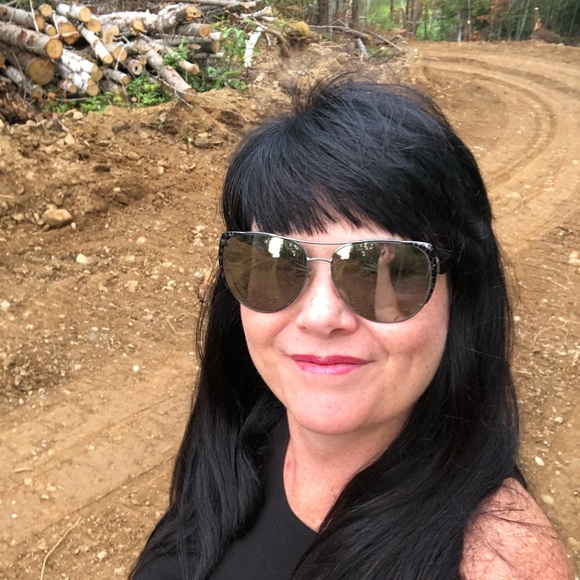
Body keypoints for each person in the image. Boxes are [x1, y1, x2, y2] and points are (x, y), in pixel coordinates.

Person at [131, 78, 572, 579]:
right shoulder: (238, 444)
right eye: (275, 261)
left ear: (461, 296)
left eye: (384, 269)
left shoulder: (499, 564)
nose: (320, 316)